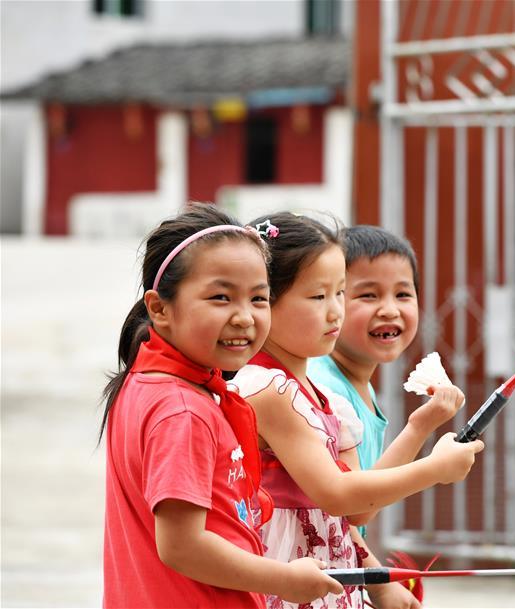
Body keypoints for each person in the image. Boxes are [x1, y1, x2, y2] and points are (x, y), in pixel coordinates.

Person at [229, 212, 483, 609]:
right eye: (317, 296)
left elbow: (360, 510)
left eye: (340, 293)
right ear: (265, 302)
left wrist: (419, 426)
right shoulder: (267, 389)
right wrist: (435, 469)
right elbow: (337, 495)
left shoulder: (325, 399)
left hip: (326, 584)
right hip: (289, 581)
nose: (335, 311)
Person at [100, 204, 344, 608]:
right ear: (160, 309)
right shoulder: (182, 409)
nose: (244, 318)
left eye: (259, 299)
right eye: (220, 297)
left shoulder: (147, 384)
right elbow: (182, 546)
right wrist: (284, 578)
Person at [308, 225, 465, 608]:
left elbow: (363, 495)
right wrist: (378, 581)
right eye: (367, 294)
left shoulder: (355, 382)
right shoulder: (322, 386)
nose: (390, 309)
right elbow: (348, 507)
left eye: (403, 294)